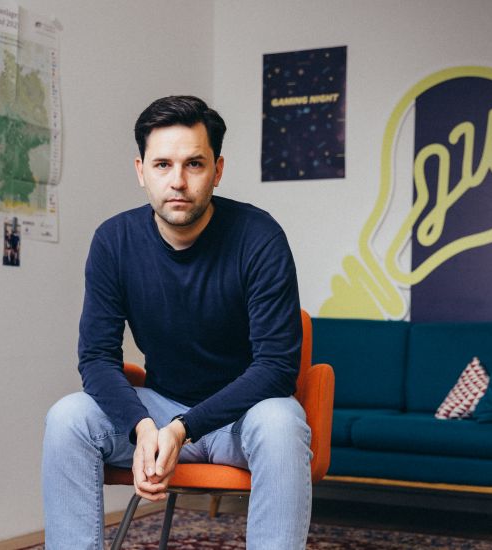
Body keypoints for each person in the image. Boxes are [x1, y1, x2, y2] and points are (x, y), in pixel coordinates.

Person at [42, 96, 310, 549]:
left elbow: (277, 367)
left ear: (217, 170)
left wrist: (183, 428)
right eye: (163, 164)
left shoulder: (259, 237)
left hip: (241, 419)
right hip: (159, 410)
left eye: (194, 164)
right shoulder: (114, 241)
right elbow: (97, 358)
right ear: (141, 170)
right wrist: (143, 427)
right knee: (68, 417)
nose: (178, 181)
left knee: (283, 422)